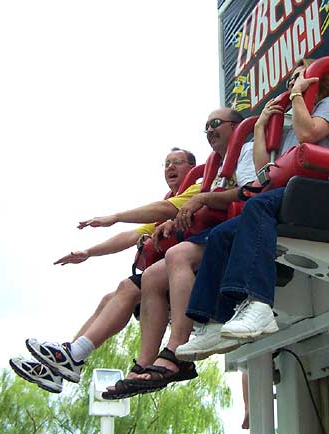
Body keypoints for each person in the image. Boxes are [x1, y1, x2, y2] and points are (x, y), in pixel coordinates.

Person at [174, 57, 329, 361]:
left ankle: (258, 303)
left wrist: (297, 96)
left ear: (316, 80)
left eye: (300, 77)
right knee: (221, 235)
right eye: (290, 82)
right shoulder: (289, 126)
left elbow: (310, 134)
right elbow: (264, 172)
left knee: (256, 206)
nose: (292, 85)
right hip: (297, 194)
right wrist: (260, 126)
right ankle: (214, 320)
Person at [9, 147, 198, 393]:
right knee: (109, 299)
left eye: (177, 162)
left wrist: (115, 216)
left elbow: (164, 209)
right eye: (166, 163)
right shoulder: (170, 201)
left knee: (127, 288)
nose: (170, 168)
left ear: (191, 167)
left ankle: (74, 356)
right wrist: (88, 252)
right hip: (167, 277)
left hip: (187, 270)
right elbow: (132, 235)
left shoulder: (196, 187)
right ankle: (64, 361)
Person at [102, 107, 256, 398]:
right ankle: (146, 361)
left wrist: (201, 199)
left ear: (236, 126)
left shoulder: (245, 151)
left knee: (177, 256)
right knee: (151, 276)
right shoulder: (216, 166)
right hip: (210, 233)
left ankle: (177, 351)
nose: (210, 131)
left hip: (237, 230)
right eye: (206, 127)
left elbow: (249, 192)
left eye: (216, 124)